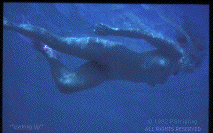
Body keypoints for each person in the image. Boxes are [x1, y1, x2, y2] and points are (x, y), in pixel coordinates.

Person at [3, 19, 205, 94]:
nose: (194, 65)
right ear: (191, 52)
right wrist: (112, 30)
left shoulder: (168, 76)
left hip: (108, 73)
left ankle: (48, 52)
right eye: (196, 59)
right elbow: (145, 34)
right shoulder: (175, 51)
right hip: (111, 52)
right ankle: (10, 24)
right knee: (60, 42)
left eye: (197, 64)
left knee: (65, 85)